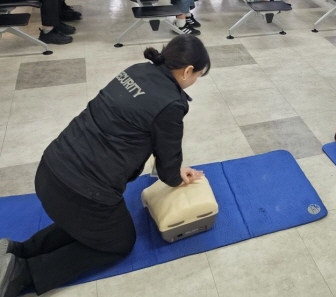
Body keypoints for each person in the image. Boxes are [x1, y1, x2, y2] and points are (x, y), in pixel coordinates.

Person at [0, 34, 210, 297]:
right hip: (80, 190)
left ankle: (19, 251)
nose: (194, 82)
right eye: (197, 76)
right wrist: (177, 176)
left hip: (50, 168)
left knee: (91, 226)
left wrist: (173, 167)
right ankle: (22, 273)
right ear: (188, 70)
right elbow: (168, 172)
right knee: (119, 242)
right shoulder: (171, 103)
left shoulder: (137, 70)